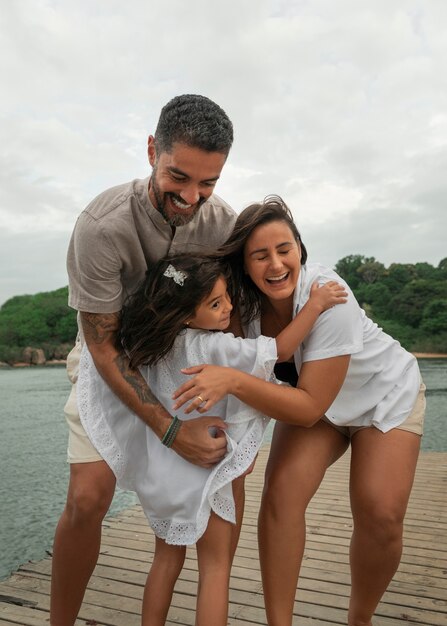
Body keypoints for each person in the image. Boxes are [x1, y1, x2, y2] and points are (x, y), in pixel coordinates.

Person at [172, 195, 425, 626]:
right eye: (260, 255)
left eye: (284, 249)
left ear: (300, 250)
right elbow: (231, 361)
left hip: (382, 393)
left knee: (379, 514)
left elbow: (297, 404)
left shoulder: (330, 297)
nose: (275, 265)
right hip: (315, 402)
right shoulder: (237, 307)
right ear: (244, 265)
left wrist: (231, 380)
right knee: (282, 498)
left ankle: (359, 619)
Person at [76, 253, 347, 626]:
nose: (229, 309)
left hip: (165, 478)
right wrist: (316, 306)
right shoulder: (214, 347)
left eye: (226, 299)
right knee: (215, 569)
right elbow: (280, 350)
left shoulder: (153, 350)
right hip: (210, 474)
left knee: (165, 563)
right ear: (187, 314)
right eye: (216, 304)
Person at [51, 94, 238, 626]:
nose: (192, 196)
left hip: (186, 370)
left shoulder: (224, 224)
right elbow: (104, 346)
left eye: (208, 183)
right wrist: (171, 431)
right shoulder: (101, 225)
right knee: (88, 498)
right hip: (108, 362)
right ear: (152, 149)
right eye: (178, 176)